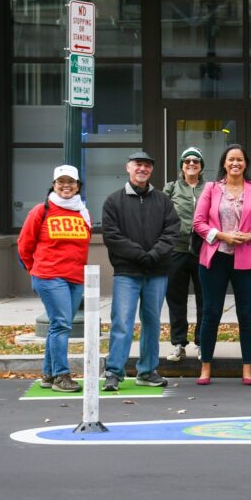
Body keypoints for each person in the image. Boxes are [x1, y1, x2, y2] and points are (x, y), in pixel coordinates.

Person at [101, 151, 180, 391]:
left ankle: (147, 371)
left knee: (152, 323)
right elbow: (112, 236)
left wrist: (154, 255)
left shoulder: (163, 201)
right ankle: (114, 372)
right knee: (122, 323)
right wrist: (139, 255)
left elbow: (172, 231)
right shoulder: (113, 201)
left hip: (157, 272)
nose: (142, 169)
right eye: (138, 165)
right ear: (128, 168)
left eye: (147, 165)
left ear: (151, 171)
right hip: (127, 273)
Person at [192, 144, 251, 386]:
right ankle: (206, 366)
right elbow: (198, 222)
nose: (235, 163)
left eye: (239, 159)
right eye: (230, 160)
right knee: (211, 312)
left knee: (246, 313)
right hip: (215, 258)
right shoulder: (211, 189)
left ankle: (247, 368)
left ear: (245, 164)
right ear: (224, 164)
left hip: (246, 258)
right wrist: (222, 236)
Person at [18, 164, 92, 393]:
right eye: (61, 182)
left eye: (71, 182)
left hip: (75, 277)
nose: (66, 186)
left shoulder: (82, 211)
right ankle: (61, 375)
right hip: (49, 276)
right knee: (61, 324)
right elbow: (24, 245)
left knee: (59, 326)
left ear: (78, 186)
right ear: (54, 185)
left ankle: (48, 374)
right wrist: (35, 270)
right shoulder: (41, 210)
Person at [163, 146, 206, 362]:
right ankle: (178, 343)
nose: (191, 164)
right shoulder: (171, 188)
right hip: (176, 250)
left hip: (203, 250)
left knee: (204, 299)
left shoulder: (209, 188)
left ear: (201, 166)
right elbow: (161, 214)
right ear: (182, 166)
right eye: (187, 161)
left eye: (195, 161)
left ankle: (202, 342)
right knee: (176, 299)